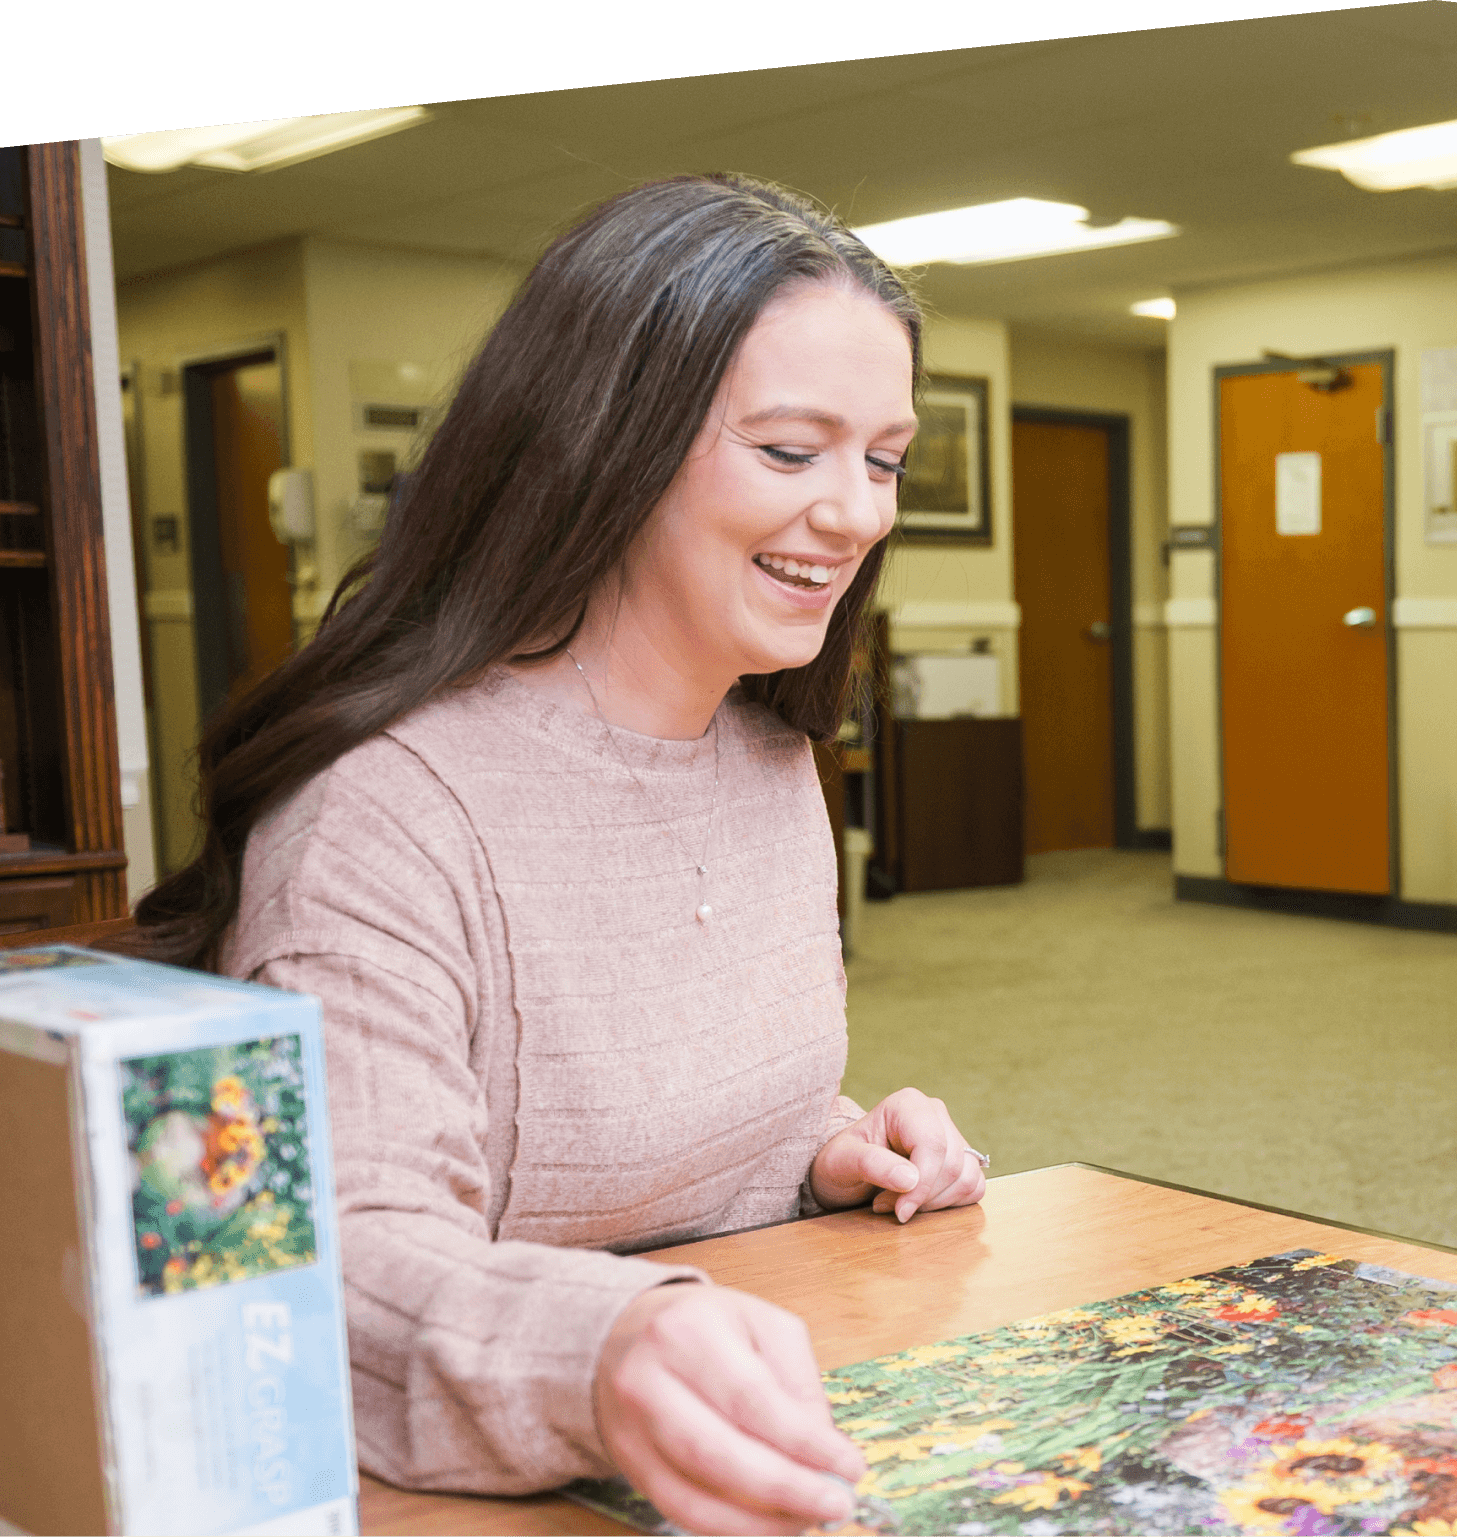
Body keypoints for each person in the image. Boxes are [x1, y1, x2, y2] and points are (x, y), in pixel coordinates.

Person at [129, 175, 981, 1535]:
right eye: (788, 451)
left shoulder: (770, 763)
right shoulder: (380, 809)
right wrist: (608, 1350)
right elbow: (334, 1273)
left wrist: (833, 1146)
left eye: (881, 460)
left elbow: (622, 1122)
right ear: (609, 445)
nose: (855, 513)